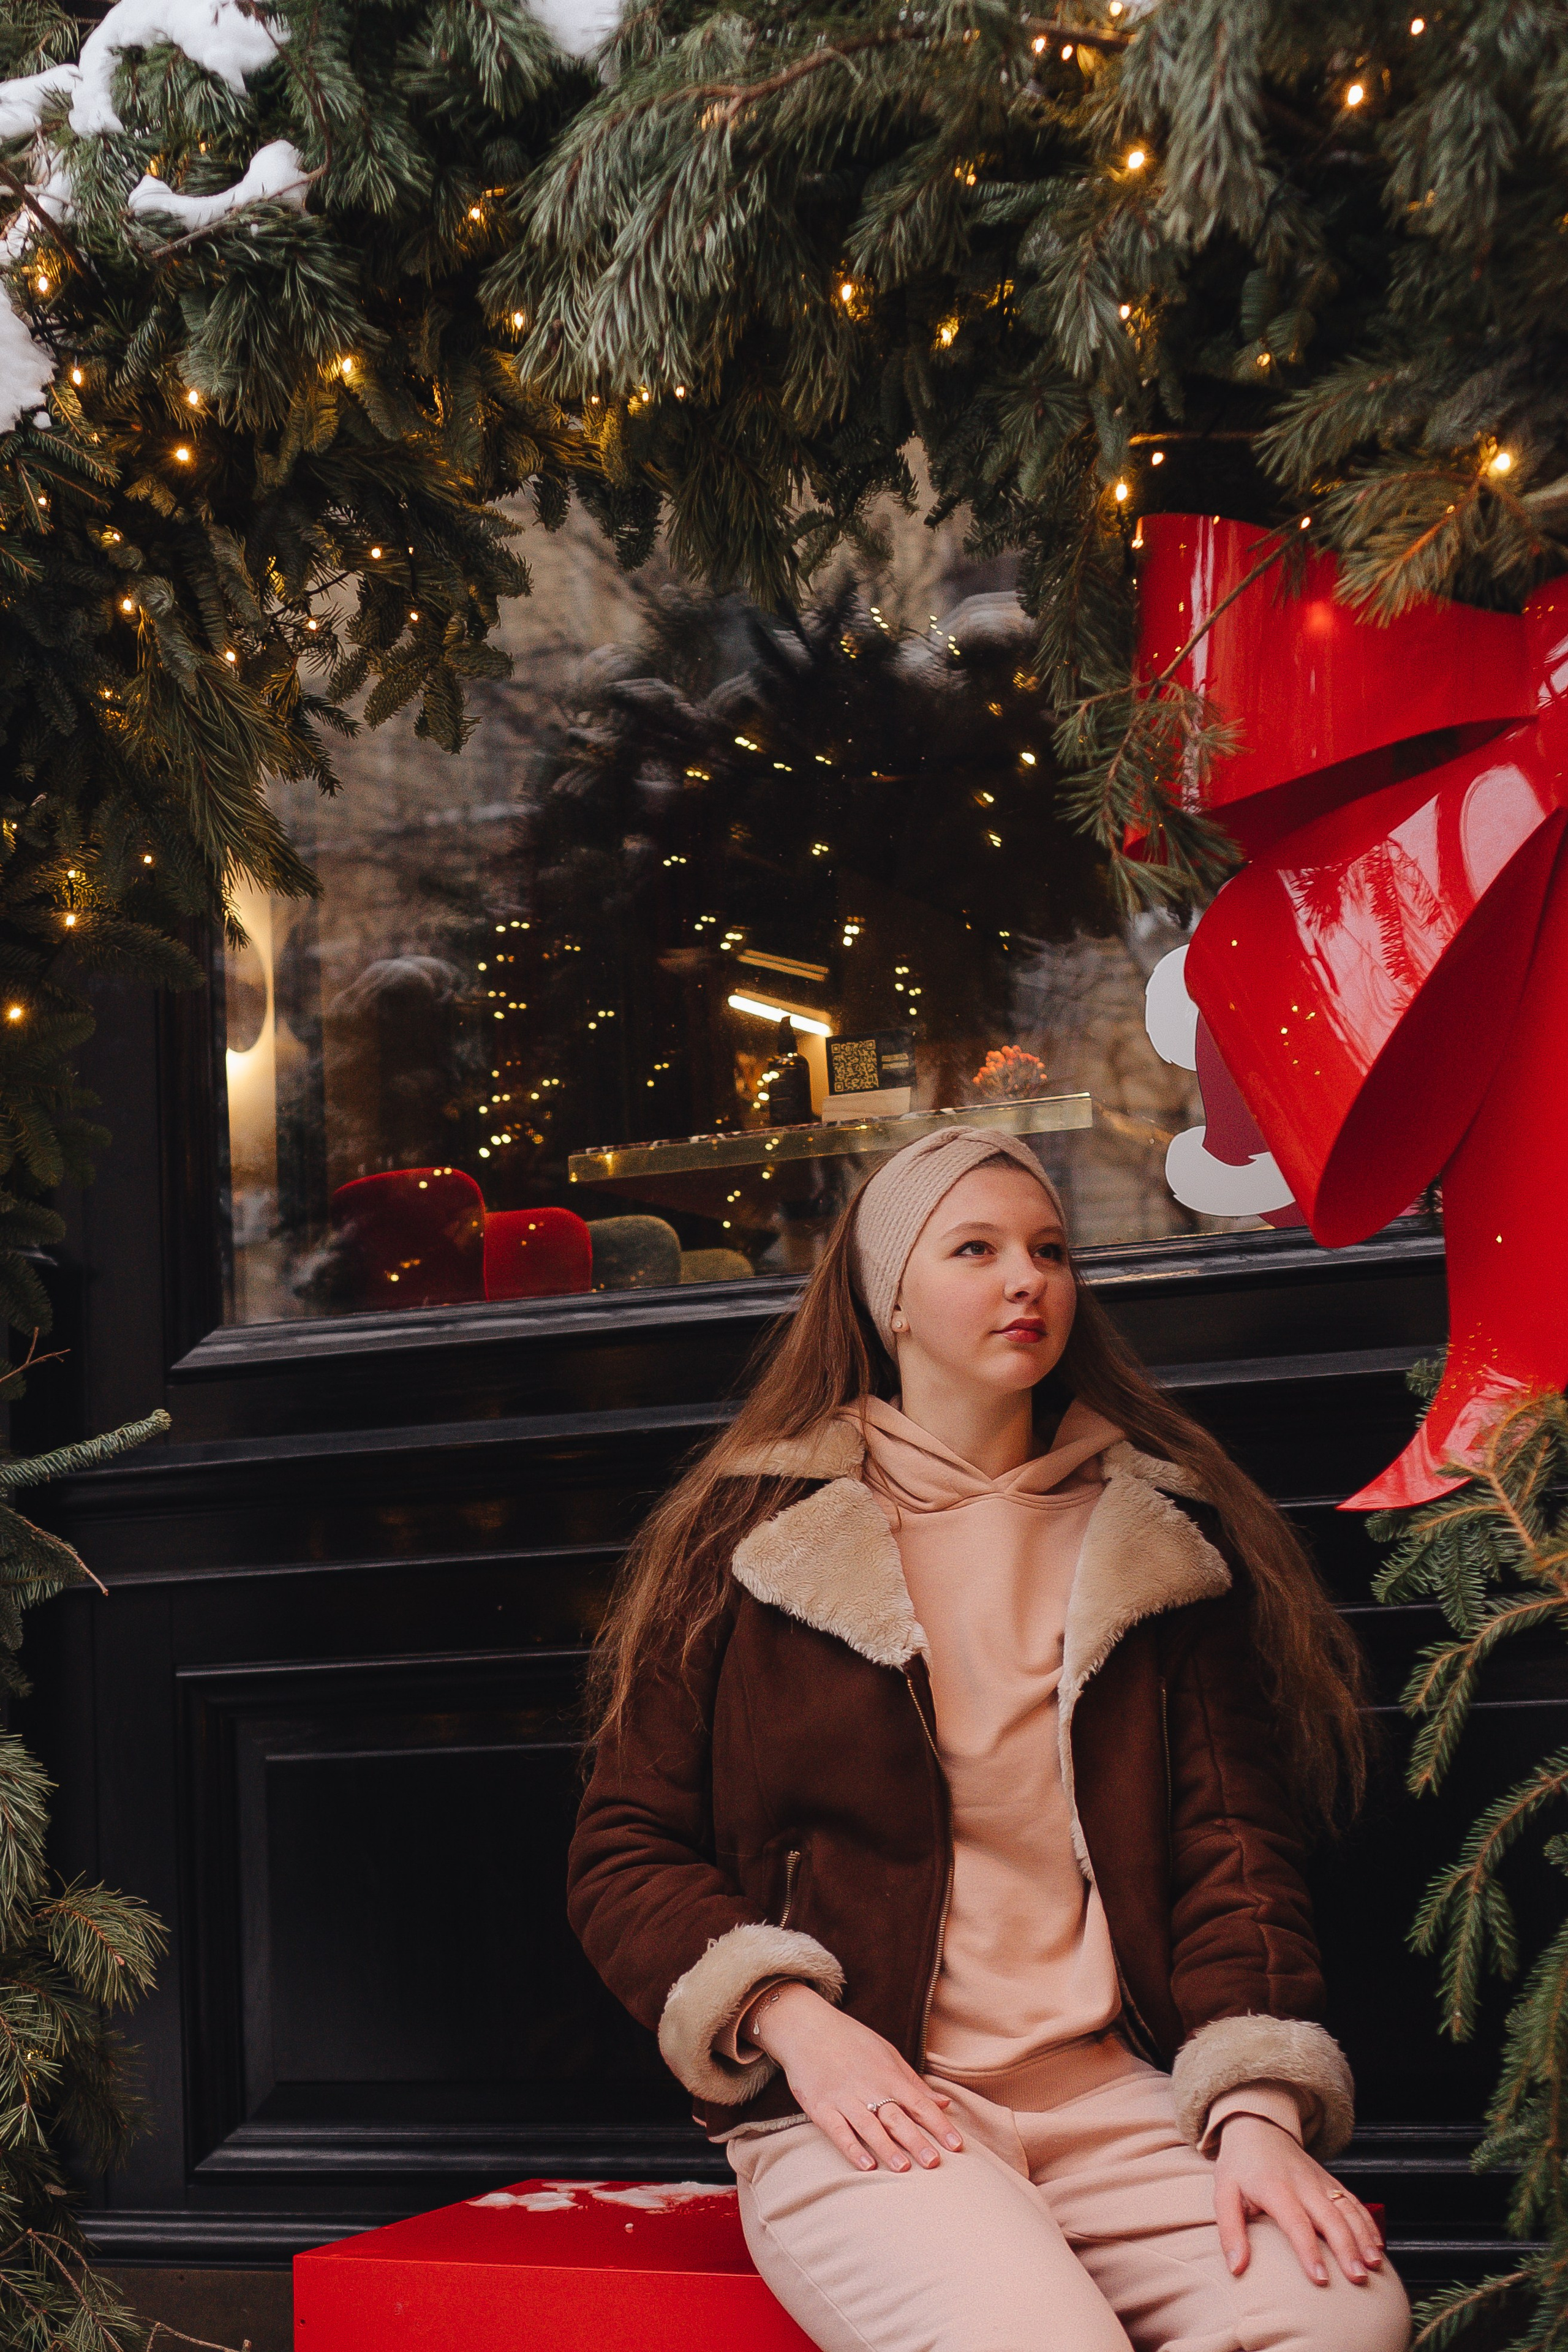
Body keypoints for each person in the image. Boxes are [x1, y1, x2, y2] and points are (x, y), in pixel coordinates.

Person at [568, 1128, 1411, 2352]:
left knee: (1341, 2318)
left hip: (1119, 2096)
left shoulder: (1154, 1542)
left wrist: (1256, 2113)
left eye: (1050, 1252)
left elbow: (1236, 1856)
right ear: (887, 1297)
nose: (1028, 1280)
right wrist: (799, 2028)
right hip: (874, 2107)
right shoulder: (756, 1535)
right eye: (976, 1250)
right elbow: (622, 1846)